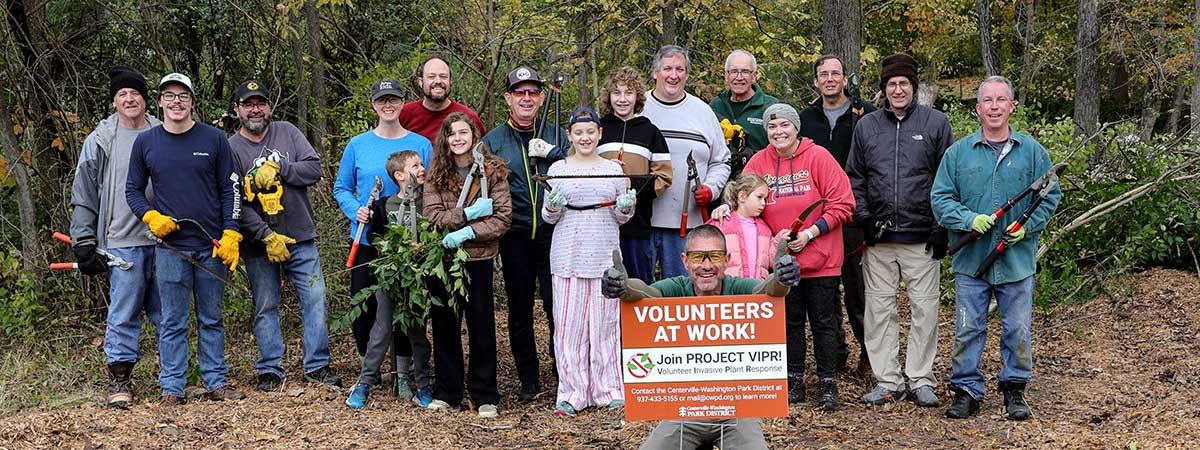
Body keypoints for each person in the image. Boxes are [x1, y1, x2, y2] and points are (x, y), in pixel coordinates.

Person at [932, 75, 1061, 420]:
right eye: (987, 100)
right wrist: (968, 219)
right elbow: (940, 198)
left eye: (1001, 100)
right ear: (978, 108)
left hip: (1016, 261)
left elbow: (1051, 196)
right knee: (968, 328)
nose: (994, 107)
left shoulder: (1033, 152)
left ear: (1012, 106)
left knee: (1017, 328)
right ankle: (966, 391)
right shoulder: (958, 154)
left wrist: (1027, 227)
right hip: (971, 260)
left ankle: (1014, 390)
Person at [601, 225, 798, 450]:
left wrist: (781, 279)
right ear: (685, 261)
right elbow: (645, 293)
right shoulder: (675, 288)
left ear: (727, 260)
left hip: (737, 409)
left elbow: (767, 291)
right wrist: (623, 287)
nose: (706, 265)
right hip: (686, 409)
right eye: (697, 257)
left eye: (715, 256)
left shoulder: (739, 288)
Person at [126, 73, 244, 404]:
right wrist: (150, 216)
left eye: (183, 96)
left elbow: (231, 187)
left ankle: (216, 381)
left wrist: (232, 230)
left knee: (211, 317)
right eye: (169, 96)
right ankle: (172, 387)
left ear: (192, 102)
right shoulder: (146, 142)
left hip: (212, 246)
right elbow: (133, 190)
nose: (176, 102)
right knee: (172, 320)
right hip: (170, 249)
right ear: (160, 102)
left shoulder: (214, 138)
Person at [846, 53, 955, 408]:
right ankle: (888, 381)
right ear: (883, 88)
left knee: (925, 310)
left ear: (914, 87)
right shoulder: (867, 127)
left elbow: (948, 177)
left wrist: (942, 226)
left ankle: (920, 378)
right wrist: (864, 219)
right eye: (891, 84)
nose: (897, 90)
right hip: (878, 238)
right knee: (879, 310)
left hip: (922, 237)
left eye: (904, 83)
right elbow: (855, 178)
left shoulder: (936, 123)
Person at [227, 80, 340, 392]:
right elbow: (234, 202)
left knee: (315, 299)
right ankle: (269, 368)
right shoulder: (231, 148)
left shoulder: (287, 131)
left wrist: (281, 168)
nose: (255, 109)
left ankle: (317, 365)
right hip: (258, 244)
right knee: (266, 305)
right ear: (237, 109)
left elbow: (314, 169)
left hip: (300, 236)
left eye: (260, 103)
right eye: (248, 104)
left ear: (269, 106)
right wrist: (265, 235)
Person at [740, 103, 855, 410]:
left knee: (823, 323)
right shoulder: (759, 162)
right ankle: (794, 381)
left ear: (796, 128)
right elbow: (743, 199)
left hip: (821, 259)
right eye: (772, 127)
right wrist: (727, 207)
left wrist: (810, 233)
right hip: (782, 262)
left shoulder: (818, 157)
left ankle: (828, 383)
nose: (778, 132)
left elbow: (843, 204)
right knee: (789, 322)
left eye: (784, 125)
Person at [332, 78, 433, 399]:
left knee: (406, 308)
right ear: (374, 104)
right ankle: (370, 370)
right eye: (381, 100)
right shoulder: (357, 145)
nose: (388, 105)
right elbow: (341, 188)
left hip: (409, 244)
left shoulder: (421, 145)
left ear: (403, 102)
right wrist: (356, 211)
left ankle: (403, 372)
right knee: (363, 307)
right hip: (367, 240)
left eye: (393, 99)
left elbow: (432, 188)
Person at [69, 66, 163, 408]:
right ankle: (120, 378)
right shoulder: (100, 139)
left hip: (165, 241)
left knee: (167, 313)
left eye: (135, 93)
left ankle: (173, 378)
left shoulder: (163, 131)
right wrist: (83, 240)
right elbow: (84, 192)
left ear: (146, 99)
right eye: (122, 94)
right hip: (121, 240)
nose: (129, 99)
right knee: (123, 312)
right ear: (114, 102)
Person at [540, 107, 636, 419]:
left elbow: (622, 216)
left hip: (604, 258)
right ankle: (572, 394)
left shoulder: (614, 170)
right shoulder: (557, 169)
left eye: (590, 132)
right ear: (569, 136)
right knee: (569, 331)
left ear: (599, 134)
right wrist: (552, 207)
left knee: (606, 329)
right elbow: (548, 217)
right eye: (579, 132)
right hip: (567, 259)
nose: (585, 138)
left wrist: (626, 206)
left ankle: (609, 391)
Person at [482, 65, 570, 402]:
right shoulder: (493, 141)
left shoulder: (557, 134)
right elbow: (481, 187)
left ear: (542, 97)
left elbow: (577, 168)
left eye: (533, 92)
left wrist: (555, 153)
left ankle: (564, 372)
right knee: (519, 310)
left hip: (554, 234)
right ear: (508, 98)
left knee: (556, 307)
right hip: (514, 235)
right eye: (520, 92)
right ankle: (528, 379)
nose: (527, 98)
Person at [423, 112, 513, 418]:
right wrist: (467, 215)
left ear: (474, 136)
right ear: (445, 139)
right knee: (445, 325)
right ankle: (448, 392)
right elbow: (433, 216)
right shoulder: (437, 173)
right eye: (452, 134)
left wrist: (470, 233)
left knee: (481, 327)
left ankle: (485, 395)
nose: (458, 139)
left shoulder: (492, 171)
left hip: (479, 258)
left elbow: (502, 218)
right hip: (444, 260)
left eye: (463, 132)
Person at [798, 55, 877, 377]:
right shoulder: (805, 118)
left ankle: (870, 356)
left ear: (845, 79)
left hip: (854, 215)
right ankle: (836, 351)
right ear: (815, 81)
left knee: (858, 291)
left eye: (835, 73)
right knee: (825, 289)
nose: (829, 79)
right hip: (818, 219)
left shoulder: (865, 114)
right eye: (823, 74)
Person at [346, 150, 432, 409]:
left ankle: (423, 384)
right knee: (381, 328)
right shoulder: (384, 205)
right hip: (390, 276)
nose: (421, 168)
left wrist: (423, 248)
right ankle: (365, 382)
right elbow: (373, 237)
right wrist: (390, 250)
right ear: (399, 175)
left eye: (421, 164)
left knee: (417, 330)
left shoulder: (429, 202)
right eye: (415, 166)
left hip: (417, 278)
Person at [641, 45, 731, 279]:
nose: (673, 75)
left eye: (679, 69)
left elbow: (721, 160)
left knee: (682, 292)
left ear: (687, 74)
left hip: (686, 228)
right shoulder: (638, 108)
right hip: (640, 223)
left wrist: (711, 188)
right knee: (639, 293)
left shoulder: (703, 112)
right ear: (655, 72)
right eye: (667, 68)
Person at [596, 66, 673, 284]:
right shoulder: (597, 129)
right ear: (608, 96)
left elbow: (664, 177)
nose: (622, 99)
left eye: (628, 93)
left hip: (637, 226)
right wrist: (605, 169)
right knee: (604, 286)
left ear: (637, 96)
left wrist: (632, 183)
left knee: (636, 285)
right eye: (616, 93)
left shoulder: (650, 132)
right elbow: (581, 167)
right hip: (600, 226)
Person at [708, 49, 779, 176]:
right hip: (720, 179)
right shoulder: (715, 106)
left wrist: (754, 156)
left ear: (754, 76)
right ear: (726, 75)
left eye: (745, 71)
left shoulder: (771, 106)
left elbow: (783, 148)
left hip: (760, 179)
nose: (739, 77)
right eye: (734, 71)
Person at [399, 56, 487, 142]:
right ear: (421, 82)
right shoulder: (403, 114)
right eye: (431, 76)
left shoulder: (469, 118)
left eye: (443, 76)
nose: (438, 81)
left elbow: (482, 149)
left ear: (450, 81)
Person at [707, 173, 772, 280]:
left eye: (765, 199)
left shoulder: (765, 229)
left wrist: (781, 241)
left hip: (757, 287)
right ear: (742, 196)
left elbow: (771, 261)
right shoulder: (721, 223)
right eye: (759, 197)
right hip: (728, 287)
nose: (763, 203)